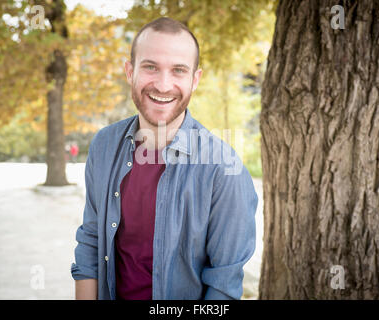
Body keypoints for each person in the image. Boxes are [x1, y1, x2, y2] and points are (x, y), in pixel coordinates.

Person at [71, 17, 257, 300]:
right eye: (150, 67)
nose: (163, 84)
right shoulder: (104, 145)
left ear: (195, 80)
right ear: (129, 71)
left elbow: (223, 287)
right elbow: (91, 242)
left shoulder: (223, 169)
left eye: (178, 70)